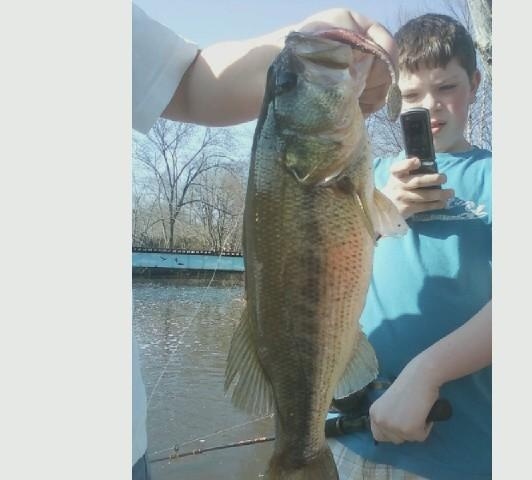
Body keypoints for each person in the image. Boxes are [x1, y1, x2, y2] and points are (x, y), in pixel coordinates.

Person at [130, 3, 399, 479]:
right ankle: (301, 451)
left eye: (286, 83)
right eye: (289, 86)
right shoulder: (331, 172)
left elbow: (190, 78)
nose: (293, 75)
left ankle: (297, 448)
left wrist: (309, 35)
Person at [327, 13, 492, 480]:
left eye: (447, 88)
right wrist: (379, 213)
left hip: (458, 451)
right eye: (413, 95)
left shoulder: (496, 177)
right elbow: (324, 268)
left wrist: (428, 371)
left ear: (476, 84)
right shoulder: (368, 176)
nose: (431, 107)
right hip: (347, 435)